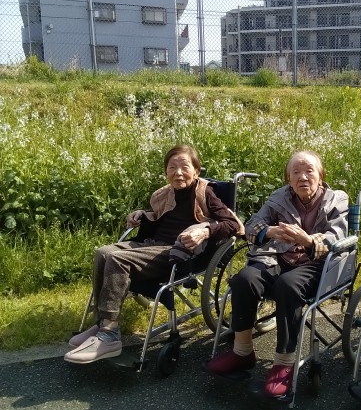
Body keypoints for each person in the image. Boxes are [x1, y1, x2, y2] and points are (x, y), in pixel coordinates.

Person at [64, 145, 242, 364]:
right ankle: (102, 323)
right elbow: (159, 216)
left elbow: (233, 224)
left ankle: (109, 334)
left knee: (117, 259)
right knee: (103, 253)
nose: (178, 173)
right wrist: (141, 215)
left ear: (196, 171)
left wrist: (205, 231)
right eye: (172, 167)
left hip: (177, 252)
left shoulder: (205, 192)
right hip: (153, 244)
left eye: (185, 167)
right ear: (166, 171)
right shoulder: (165, 193)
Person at [206, 151, 349, 398]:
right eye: (296, 172)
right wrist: (269, 232)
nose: (303, 177)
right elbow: (252, 226)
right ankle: (242, 352)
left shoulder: (337, 199)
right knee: (244, 280)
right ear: (288, 178)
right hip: (276, 257)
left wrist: (308, 241)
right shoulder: (279, 197)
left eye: (309, 171)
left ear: (321, 175)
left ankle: (284, 363)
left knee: (287, 285)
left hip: (317, 263)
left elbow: (338, 237)